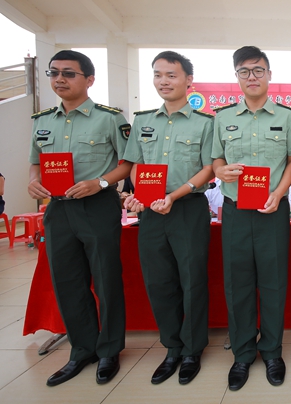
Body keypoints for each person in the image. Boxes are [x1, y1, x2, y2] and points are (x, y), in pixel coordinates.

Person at [27, 50, 132, 386]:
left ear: (89, 80)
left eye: (69, 73)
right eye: (54, 72)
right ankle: (82, 349)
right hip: (58, 209)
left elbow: (128, 163)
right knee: (67, 280)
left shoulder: (109, 118)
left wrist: (99, 182)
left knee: (106, 278)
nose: (60, 79)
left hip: (97, 205)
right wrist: (33, 181)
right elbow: (35, 161)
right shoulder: (42, 120)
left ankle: (109, 350)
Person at [211, 46, 291, 391]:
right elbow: (215, 160)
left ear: (269, 75)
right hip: (235, 212)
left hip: (272, 212)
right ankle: (243, 354)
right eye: (244, 71)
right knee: (238, 285)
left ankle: (272, 352)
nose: (252, 77)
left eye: (258, 70)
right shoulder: (223, 118)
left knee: (274, 283)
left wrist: (279, 193)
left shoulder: (288, 118)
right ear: (236, 76)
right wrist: (221, 170)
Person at [123, 51, 214, 385]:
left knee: (192, 281)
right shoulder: (143, 121)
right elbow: (135, 163)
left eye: (171, 75)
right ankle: (172, 347)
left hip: (187, 208)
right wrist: (139, 194)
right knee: (159, 281)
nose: (164, 81)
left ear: (188, 80)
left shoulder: (206, 123)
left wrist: (173, 196)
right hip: (151, 212)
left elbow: (209, 168)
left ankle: (192, 349)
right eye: (158, 74)